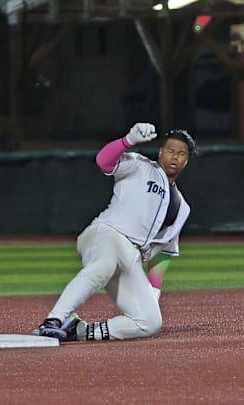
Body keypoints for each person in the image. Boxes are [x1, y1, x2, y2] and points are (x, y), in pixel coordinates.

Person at [32, 123, 197, 342]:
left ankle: (79, 331)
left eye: (181, 153)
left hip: (132, 256)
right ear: (160, 152)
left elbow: (163, 253)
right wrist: (127, 141)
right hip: (107, 233)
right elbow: (103, 161)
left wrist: (153, 293)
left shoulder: (182, 208)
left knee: (150, 322)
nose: (174, 157)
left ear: (186, 160)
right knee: (103, 266)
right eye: (170, 150)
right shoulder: (139, 165)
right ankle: (54, 320)